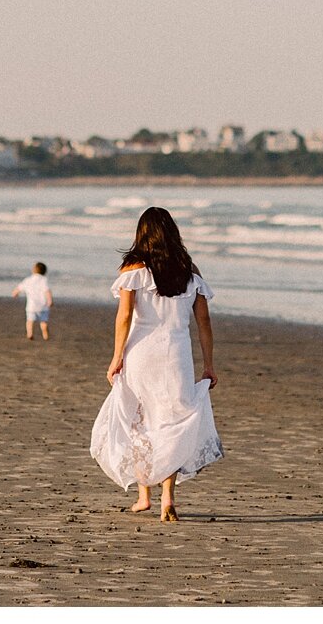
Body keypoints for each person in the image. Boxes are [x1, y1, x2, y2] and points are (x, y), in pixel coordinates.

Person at [89, 207, 222, 521]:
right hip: (176, 352)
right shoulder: (190, 270)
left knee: (140, 419)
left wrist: (116, 356)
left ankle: (143, 495)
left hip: (141, 351)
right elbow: (204, 322)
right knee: (170, 421)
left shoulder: (133, 268)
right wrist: (209, 364)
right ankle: (168, 499)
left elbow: (124, 316)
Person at [11, 261, 53, 341]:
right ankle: (45, 335)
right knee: (43, 322)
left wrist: (15, 293)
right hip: (43, 306)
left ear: (33, 270)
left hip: (31, 306)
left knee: (30, 321)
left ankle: (30, 334)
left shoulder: (28, 280)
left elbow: (19, 288)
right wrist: (50, 301)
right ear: (44, 272)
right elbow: (47, 291)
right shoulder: (43, 280)